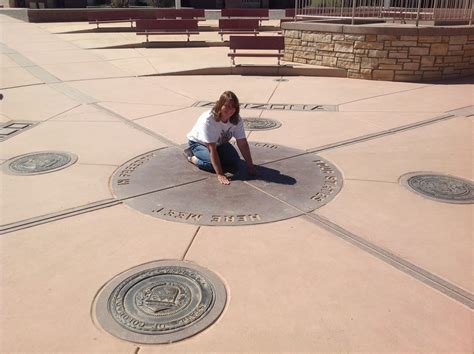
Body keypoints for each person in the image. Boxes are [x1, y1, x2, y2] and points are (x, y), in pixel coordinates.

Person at [184, 91, 257, 185]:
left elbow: (242, 143)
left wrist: (250, 166)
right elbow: (211, 149)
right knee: (210, 165)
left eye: (233, 106)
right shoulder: (209, 120)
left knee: (234, 160)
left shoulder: (236, 119)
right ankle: (191, 157)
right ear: (220, 105)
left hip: (220, 143)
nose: (230, 109)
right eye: (227, 106)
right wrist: (220, 174)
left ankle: (215, 159)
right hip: (199, 143)